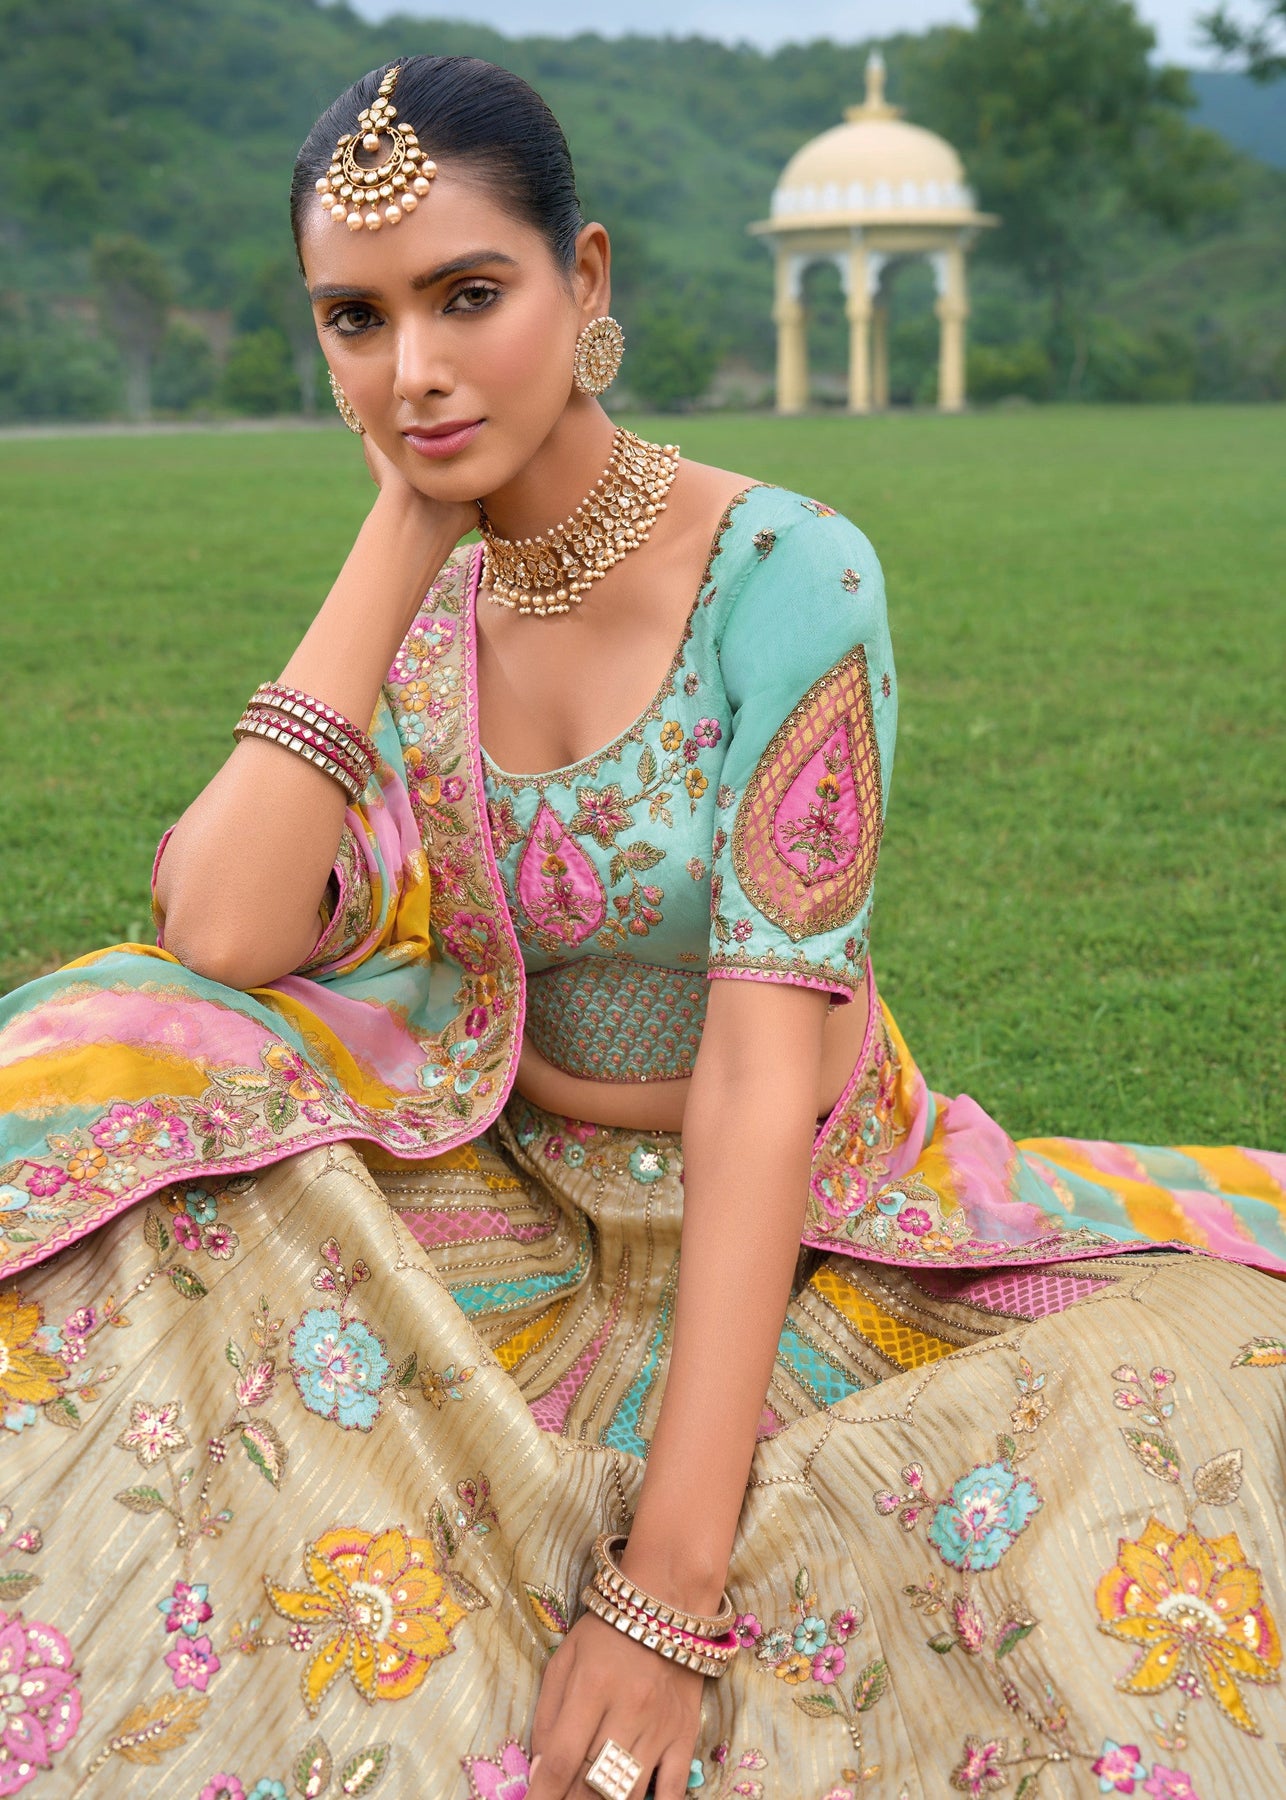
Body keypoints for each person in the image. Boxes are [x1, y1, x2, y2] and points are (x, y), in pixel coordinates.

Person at [0, 54, 1282, 1800]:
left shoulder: (787, 576)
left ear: (584, 277)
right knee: (109, 1063)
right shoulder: (425, 603)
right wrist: (400, 531)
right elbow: (216, 935)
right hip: (507, 1183)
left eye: (468, 296)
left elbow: (756, 1081)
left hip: (809, 1205)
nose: (415, 366)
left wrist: (667, 1597)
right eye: (357, 319)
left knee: (1100, 1462)